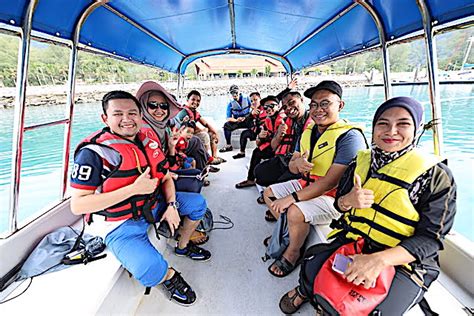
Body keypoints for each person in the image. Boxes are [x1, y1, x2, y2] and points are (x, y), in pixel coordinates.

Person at [279, 96, 456, 315]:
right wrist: (347, 201)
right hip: (356, 240)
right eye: (383, 123)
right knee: (312, 264)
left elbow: (431, 239)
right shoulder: (360, 161)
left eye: (403, 124)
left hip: (402, 259)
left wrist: (378, 260)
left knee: (378, 312)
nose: (391, 131)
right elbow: (339, 204)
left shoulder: (436, 176)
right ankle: (306, 291)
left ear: (417, 128)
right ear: (374, 128)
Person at [70, 91, 211, 306]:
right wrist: (133, 189)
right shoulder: (94, 152)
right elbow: (78, 204)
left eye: (132, 113)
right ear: (105, 118)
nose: (127, 119)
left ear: (140, 116)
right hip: (120, 223)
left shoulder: (148, 140)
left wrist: (172, 205)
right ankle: (169, 276)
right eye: (118, 114)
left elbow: (165, 177)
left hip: (153, 205)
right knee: (149, 270)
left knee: (198, 204)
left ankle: (182, 246)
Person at [264, 80, 367, 277]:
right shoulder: (309, 132)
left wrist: (292, 198)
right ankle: (288, 234)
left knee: (294, 210)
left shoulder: (350, 137)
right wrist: (298, 165)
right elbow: (293, 165)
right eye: (314, 104)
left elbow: (330, 182)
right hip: (308, 184)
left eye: (325, 103)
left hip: (335, 198)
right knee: (269, 193)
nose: (318, 109)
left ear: (340, 105)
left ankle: (293, 252)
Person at [136, 82, 212, 242]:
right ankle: (181, 235)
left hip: (162, 178)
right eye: (152, 105)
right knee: (194, 182)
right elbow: (153, 171)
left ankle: (183, 220)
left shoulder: (160, 128)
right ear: (143, 106)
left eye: (164, 106)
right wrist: (172, 175)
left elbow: (164, 163)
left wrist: (171, 147)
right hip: (152, 191)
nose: (159, 110)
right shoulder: (144, 133)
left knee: (196, 174)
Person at [253, 90, 312, 188]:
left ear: (301, 100)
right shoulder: (284, 122)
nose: (288, 108)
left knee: (276, 184)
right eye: (285, 107)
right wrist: (279, 134)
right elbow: (273, 146)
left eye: (292, 102)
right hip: (285, 159)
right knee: (259, 172)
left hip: (301, 164)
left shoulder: (313, 123)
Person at [235, 95, 285, 188]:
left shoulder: (283, 120)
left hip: (282, 150)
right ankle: (250, 179)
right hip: (273, 146)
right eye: (266, 107)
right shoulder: (268, 120)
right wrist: (260, 137)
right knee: (256, 152)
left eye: (272, 106)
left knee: (262, 161)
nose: (268, 109)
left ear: (278, 106)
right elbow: (258, 142)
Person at [175, 89, 224, 165]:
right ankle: (206, 160)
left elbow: (205, 123)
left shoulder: (194, 112)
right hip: (183, 138)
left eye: (198, 101)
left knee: (212, 134)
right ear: (187, 100)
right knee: (204, 135)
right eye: (193, 100)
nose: (195, 102)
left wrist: (215, 132)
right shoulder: (183, 112)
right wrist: (202, 130)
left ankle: (214, 157)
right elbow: (185, 130)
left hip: (191, 135)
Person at [232, 91, 266, 159]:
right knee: (244, 134)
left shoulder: (266, 107)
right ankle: (242, 153)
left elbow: (277, 98)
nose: (253, 102)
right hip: (255, 130)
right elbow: (247, 120)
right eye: (251, 101)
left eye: (255, 99)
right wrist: (251, 114)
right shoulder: (253, 110)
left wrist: (288, 89)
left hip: (264, 131)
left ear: (260, 99)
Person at [219, 84, 252, 152]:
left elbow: (253, 107)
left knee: (254, 122)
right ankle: (228, 145)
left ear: (239, 92)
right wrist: (236, 120)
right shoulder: (230, 104)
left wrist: (247, 117)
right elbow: (228, 118)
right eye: (232, 93)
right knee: (226, 125)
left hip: (247, 119)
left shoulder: (247, 98)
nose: (234, 94)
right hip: (237, 121)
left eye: (236, 92)